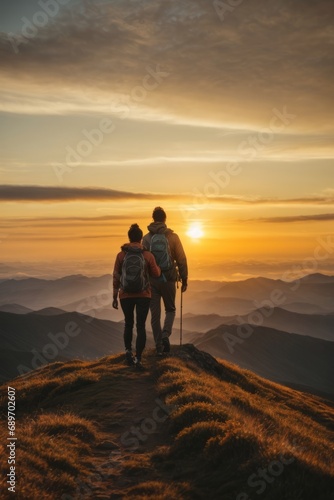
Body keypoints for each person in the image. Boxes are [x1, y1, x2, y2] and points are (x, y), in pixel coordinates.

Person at [112, 223, 161, 370]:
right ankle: (138, 358)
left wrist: (115, 296)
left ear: (129, 238)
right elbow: (156, 274)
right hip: (143, 294)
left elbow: (116, 276)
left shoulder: (121, 255)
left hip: (125, 295)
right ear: (141, 239)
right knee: (140, 326)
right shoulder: (147, 255)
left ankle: (128, 351)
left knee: (128, 323)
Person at [143, 207, 188, 355]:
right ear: (165, 219)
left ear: (152, 218)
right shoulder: (173, 237)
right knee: (170, 309)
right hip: (169, 279)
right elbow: (181, 259)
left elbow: (143, 262)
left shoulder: (146, 238)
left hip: (152, 281)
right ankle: (165, 335)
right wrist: (184, 278)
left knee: (155, 315)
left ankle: (159, 348)